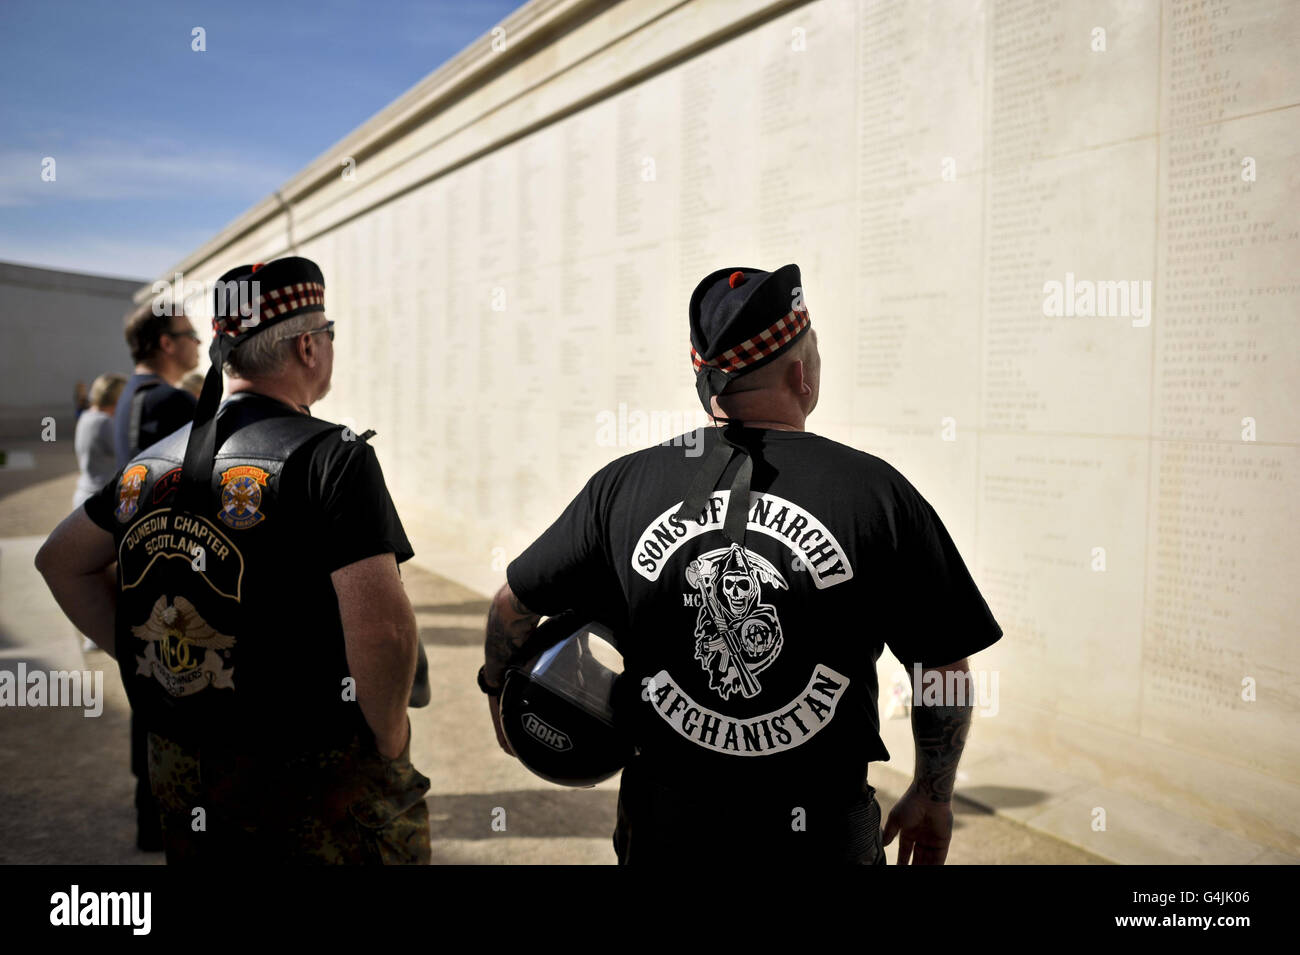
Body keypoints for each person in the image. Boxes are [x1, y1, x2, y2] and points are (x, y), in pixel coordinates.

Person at [481, 264, 1003, 866]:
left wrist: (498, 687)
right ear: (801, 374)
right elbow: (941, 663)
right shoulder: (876, 495)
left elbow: (513, 606)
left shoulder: (622, 486)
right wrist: (932, 793)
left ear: (705, 380)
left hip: (666, 829)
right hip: (819, 836)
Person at [36, 256, 431, 864]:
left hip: (184, 767)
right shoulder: (334, 457)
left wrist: (155, 663)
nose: (328, 347)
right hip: (307, 774)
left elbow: (61, 561)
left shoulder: (152, 462)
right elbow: (382, 629)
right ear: (307, 347)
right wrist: (391, 738)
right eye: (328, 335)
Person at [106, 300, 200, 850]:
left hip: (136, 569)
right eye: (187, 334)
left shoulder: (127, 399)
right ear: (165, 343)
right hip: (173, 573)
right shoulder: (171, 402)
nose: (194, 345)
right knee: (178, 689)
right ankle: (166, 815)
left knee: (149, 690)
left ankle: (151, 815)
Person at [114, 300, 200, 467]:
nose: (198, 342)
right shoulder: (174, 401)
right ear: (167, 344)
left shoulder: (129, 391)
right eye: (192, 334)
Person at [72, 373, 126, 509]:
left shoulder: (87, 416)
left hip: (85, 492)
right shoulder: (104, 422)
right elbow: (126, 454)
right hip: (101, 498)